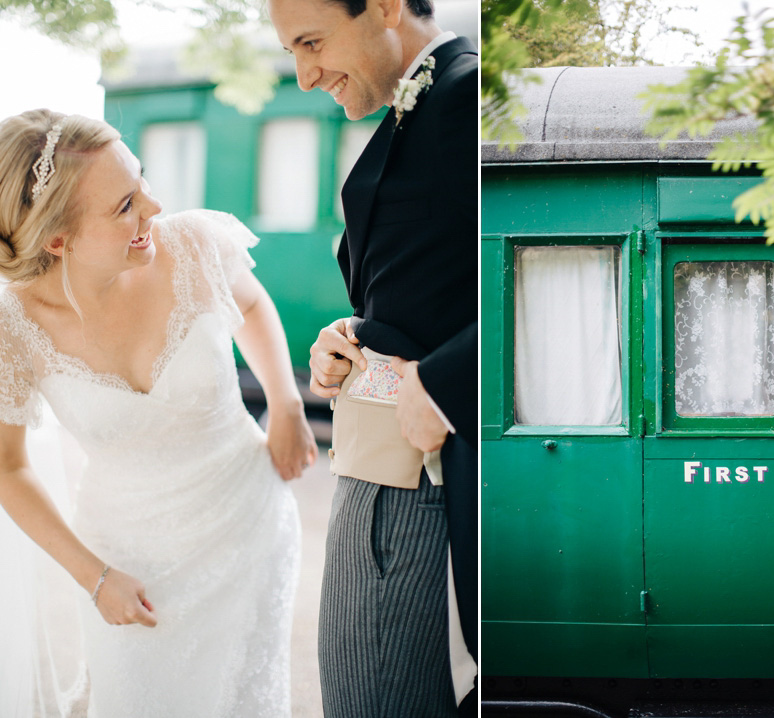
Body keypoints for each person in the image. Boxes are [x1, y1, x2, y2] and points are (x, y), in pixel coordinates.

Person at [0, 109, 317, 717]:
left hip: (247, 525)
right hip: (125, 563)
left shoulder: (194, 244)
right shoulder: (16, 329)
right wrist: (94, 577)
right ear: (59, 240)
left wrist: (285, 404)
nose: (153, 204)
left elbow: (251, 306)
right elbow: (9, 469)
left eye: (140, 180)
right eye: (123, 205)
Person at [267, 0, 478, 714]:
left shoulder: (467, 95)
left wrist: (445, 382)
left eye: (312, 41)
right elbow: (431, 284)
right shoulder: (418, 104)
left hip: (420, 472)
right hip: (374, 458)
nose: (302, 75)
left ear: (386, 7)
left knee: (377, 696)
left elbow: (515, 289)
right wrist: (353, 332)